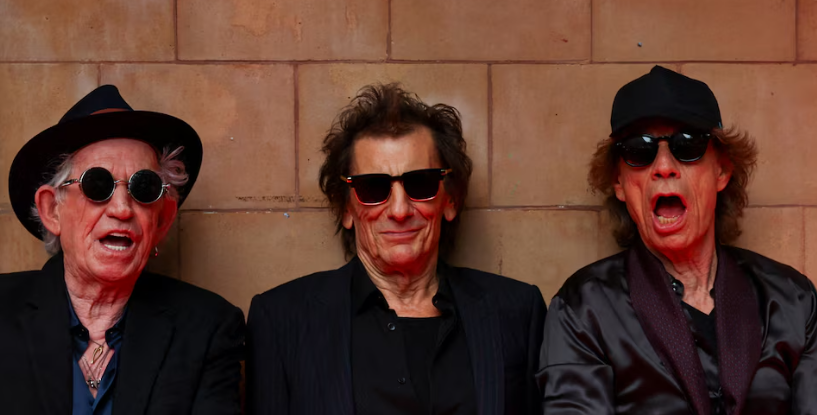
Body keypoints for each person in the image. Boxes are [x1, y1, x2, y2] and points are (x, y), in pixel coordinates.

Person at [246, 83, 546, 415]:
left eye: (421, 183)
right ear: (346, 209)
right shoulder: (282, 319)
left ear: (450, 200)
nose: (399, 210)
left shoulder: (518, 311)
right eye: (372, 188)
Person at [537, 66, 817, 414]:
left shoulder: (793, 299)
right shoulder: (583, 306)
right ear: (619, 183)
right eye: (639, 150)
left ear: (722, 170)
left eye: (688, 145)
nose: (664, 166)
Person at [0, 85, 245, 415]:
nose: (122, 209)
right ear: (52, 210)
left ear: (162, 219)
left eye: (143, 188)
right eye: (97, 185)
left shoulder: (208, 326)